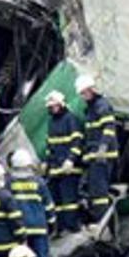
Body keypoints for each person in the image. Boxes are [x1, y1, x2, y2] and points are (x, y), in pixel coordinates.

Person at [8, 149, 56, 257]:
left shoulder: (9, 184)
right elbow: (48, 206)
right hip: (39, 228)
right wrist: (52, 223)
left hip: (20, 230)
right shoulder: (39, 183)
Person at [77, 75, 119, 227]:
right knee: (92, 190)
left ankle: (101, 223)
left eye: (83, 93)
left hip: (103, 156)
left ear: (91, 90)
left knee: (99, 192)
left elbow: (109, 128)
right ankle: (98, 220)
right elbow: (90, 135)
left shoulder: (101, 105)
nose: (82, 96)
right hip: (95, 156)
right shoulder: (90, 109)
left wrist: (103, 148)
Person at [44, 90, 84, 235]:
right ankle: (59, 228)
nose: (52, 108)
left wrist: (71, 160)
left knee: (69, 201)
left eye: (55, 106)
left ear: (61, 104)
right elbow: (50, 146)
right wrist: (46, 163)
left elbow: (77, 142)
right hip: (55, 170)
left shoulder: (71, 119)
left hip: (69, 169)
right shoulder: (51, 122)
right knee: (56, 202)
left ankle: (72, 227)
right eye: (50, 106)